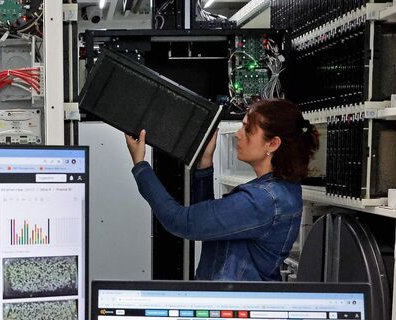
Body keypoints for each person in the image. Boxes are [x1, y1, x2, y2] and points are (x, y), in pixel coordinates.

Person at [124, 99, 320, 281]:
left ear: (273, 143)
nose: (238, 134)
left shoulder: (264, 200)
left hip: (234, 303)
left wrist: (140, 165)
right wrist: (205, 162)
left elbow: (180, 221)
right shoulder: (279, 190)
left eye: (248, 129)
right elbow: (206, 225)